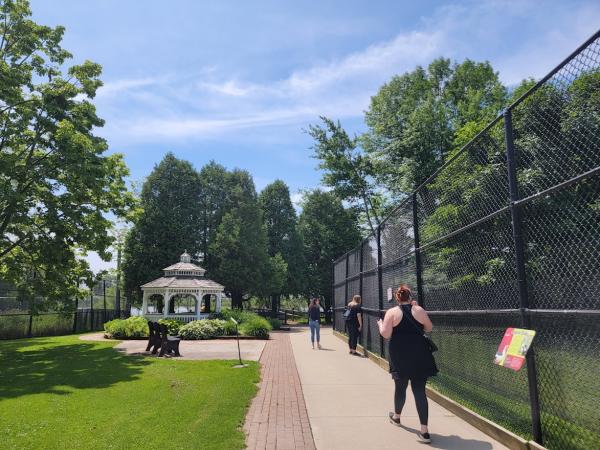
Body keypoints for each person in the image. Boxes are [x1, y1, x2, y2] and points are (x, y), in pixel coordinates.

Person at [377, 285, 437, 444]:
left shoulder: (392, 312)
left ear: (397, 298)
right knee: (419, 391)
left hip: (399, 355)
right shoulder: (419, 310)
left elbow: (386, 334)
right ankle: (424, 431)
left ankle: (396, 417)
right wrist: (417, 310)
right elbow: (429, 328)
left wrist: (380, 325)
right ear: (410, 296)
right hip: (419, 354)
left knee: (400, 387)